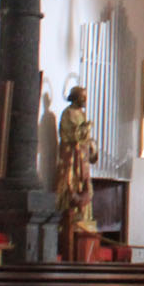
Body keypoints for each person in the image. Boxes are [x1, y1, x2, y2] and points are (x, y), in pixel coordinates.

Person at [55, 87, 97, 259]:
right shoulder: (68, 113)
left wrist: (90, 144)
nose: (85, 100)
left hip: (82, 155)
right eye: (83, 97)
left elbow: (84, 137)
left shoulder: (81, 113)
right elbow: (70, 135)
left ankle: (83, 214)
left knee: (84, 183)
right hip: (71, 156)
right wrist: (84, 130)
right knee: (71, 182)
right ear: (76, 97)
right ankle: (68, 214)